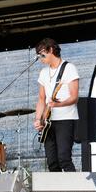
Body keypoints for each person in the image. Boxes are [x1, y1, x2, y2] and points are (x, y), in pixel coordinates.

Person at [33, 38, 79, 172]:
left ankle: (75, 189)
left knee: (64, 158)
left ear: (51, 50)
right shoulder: (43, 73)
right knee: (52, 162)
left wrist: (58, 105)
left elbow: (74, 97)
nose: (40, 58)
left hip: (66, 119)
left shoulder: (69, 68)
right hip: (48, 122)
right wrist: (38, 119)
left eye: (42, 54)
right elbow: (41, 99)